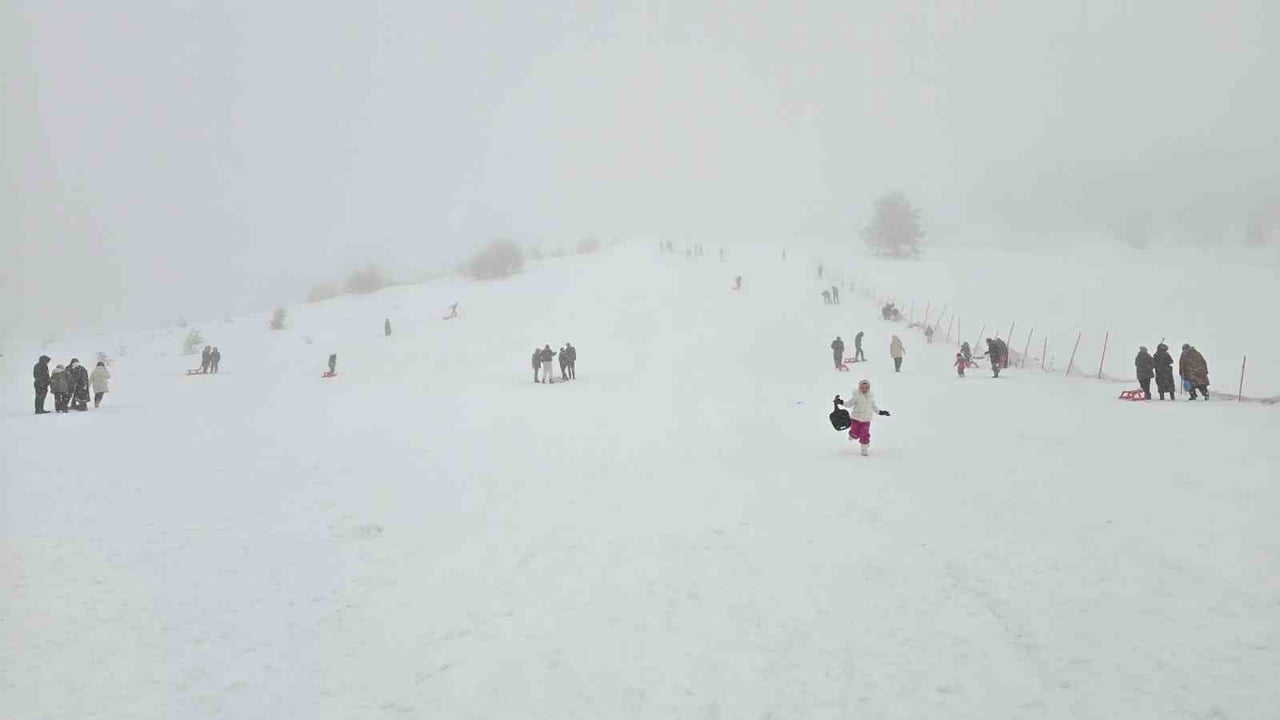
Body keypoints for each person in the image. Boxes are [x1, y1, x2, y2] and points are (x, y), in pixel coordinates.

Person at [841, 378, 891, 456]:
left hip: (866, 420)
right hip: (856, 419)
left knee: (864, 433)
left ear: (869, 388)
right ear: (859, 388)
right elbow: (848, 404)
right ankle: (852, 434)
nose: (864, 389)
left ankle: (864, 447)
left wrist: (881, 412)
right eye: (862, 387)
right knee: (855, 433)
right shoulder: (856, 397)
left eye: (866, 388)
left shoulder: (871, 398)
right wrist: (841, 402)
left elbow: (874, 408)